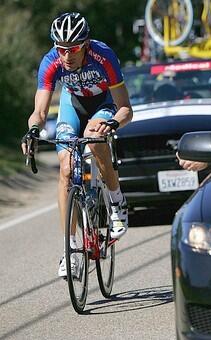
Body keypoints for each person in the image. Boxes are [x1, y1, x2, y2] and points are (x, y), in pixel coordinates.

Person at [20, 12, 133, 277]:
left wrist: (114, 123)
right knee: (67, 168)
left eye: (73, 49)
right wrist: (33, 130)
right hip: (73, 105)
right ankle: (69, 250)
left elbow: (126, 108)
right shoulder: (50, 62)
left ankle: (117, 201)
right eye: (61, 49)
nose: (66, 56)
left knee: (94, 136)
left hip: (104, 105)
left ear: (86, 44)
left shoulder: (103, 56)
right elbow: (39, 110)